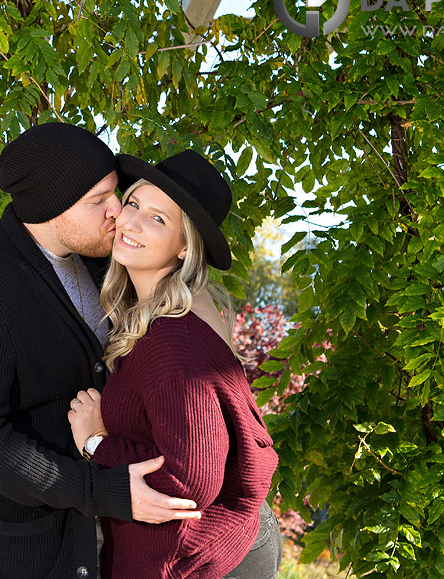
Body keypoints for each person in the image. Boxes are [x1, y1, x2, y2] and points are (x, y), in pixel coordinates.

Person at [0, 123, 202, 579]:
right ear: (49, 208)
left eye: (115, 193)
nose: (117, 212)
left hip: (102, 539)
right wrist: (101, 489)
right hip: (26, 554)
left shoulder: (99, 262)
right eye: (98, 201)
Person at [67, 149, 281, 579]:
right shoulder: (154, 317)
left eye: (159, 219)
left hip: (214, 557)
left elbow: (192, 481)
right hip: (204, 548)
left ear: (185, 248)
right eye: (134, 204)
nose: (131, 223)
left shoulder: (172, 338)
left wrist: (95, 444)